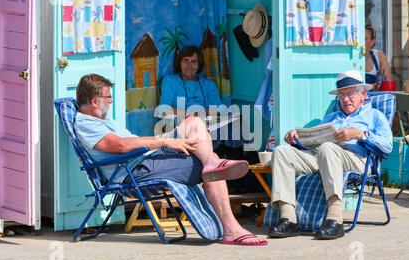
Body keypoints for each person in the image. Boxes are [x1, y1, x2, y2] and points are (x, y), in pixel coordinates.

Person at [74, 74, 268, 246]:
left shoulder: (102, 120)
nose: (112, 101)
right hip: (133, 171)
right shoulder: (87, 125)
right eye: (108, 97)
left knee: (194, 123)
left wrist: (166, 141)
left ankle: (210, 161)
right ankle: (231, 229)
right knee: (210, 167)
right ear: (94, 101)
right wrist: (165, 140)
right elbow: (122, 146)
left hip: (146, 159)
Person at [268, 70, 393, 240]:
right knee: (282, 152)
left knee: (328, 147)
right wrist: (296, 139)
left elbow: (387, 146)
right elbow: (314, 143)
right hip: (322, 156)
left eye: (350, 94)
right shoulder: (331, 117)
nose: (345, 99)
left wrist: (359, 134)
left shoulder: (374, 116)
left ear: (363, 94)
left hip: (358, 159)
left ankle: (335, 219)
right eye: (341, 95)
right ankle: (288, 219)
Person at [159, 45, 246, 149]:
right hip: (181, 123)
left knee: (237, 123)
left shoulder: (208, 84)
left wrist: (199, 114)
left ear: (199, 64)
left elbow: (218, 108)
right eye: (186, 60)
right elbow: (163, 108)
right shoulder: (170, 81)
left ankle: (238, 159)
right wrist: (189, 115)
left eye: (194, 61)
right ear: (180, 63)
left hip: (208, 121)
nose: (189, 65)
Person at [365, 24, 392, 90]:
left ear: (372, 42)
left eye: (364, 39)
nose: (360, 42)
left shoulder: (379, 56)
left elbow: (389, 84)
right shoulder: (349, 58)